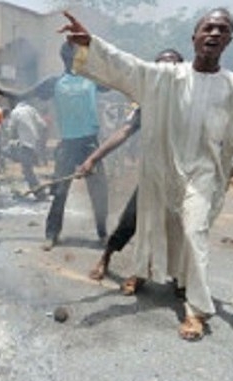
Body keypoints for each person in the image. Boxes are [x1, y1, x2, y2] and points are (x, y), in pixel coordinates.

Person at [60, 8, 233, 340]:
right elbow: (128, 67)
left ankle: (196, 310)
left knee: (194, 232)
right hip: (164, 171)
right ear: (194, 37)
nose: (214, 33)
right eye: (208, 27)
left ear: (229, 40)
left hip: (204, 174)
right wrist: (92, 44)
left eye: (222, 29)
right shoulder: (167, 77)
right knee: (153, 226)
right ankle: (155, 274)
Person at [76, 49, 185, 281]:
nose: (166, 71)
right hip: (153, 175)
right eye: (160, 66)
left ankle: (178, 276)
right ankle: (105, 258)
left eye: (172, 65)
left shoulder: (190, 101)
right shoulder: (149, 103)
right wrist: (93, 158)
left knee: (181, 228)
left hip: (184, 177)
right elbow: (124, 131)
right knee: (131, 219)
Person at [40, 40, 109, 251]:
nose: (80, 57)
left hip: (90, 143)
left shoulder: (93, 79)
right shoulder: (55, 82)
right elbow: (22, 93)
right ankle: (52, 234)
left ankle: (102, 233)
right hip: (68, 144)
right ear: (66, 57)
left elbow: (118, 81)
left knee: (99, 191)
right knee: (60, 191)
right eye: (76, 53)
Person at [6, 97, 47, 200]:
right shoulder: (31, 109)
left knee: (27, 170)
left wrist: (11, 138)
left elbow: (11, 130)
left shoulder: (15, 112)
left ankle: (39, 192)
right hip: (35, 144)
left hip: (26, 145)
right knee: (30, 168)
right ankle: (39, 190)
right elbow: (43, 125)